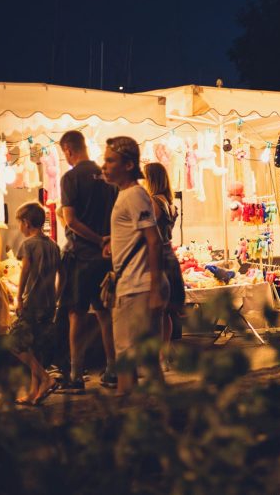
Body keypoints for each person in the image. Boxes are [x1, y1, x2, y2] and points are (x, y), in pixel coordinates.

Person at [102, 136, 168, 396]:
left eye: (110, 161)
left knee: (128, 357)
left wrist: (153, 289)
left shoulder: (133, 195)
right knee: (148, 359)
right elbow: (142, 237)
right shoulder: (131, 195)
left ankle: (127, 411)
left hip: (136, 287)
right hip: (135, 284)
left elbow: (154, 240)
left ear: (128, 165)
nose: (104, 167)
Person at [57, 130, 118, 393]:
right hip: (106, 259)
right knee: (105, 314)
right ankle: (113, 371)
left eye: (64, 154)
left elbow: (70, 221)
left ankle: (75, 375)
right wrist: (108, 241)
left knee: (76, 315)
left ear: (69, 150)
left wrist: (96, 240)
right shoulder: (107, 176)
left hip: (81, 256)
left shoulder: (71, 178)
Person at [11, 202, 61, 405]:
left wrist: (19, 296)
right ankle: (34, 390)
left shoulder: (29, 245)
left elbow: (24, 272)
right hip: (49, 302)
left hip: (32, 301)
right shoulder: (53, 245)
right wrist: (56, 297)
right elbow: (62, 275)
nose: (19, 228)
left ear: (26, 223)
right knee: (36, 346)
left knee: (15, 342)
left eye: (19, 224)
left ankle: (46, 378)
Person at [143, 162, 186, 370]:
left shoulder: (153, 202)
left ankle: (157, 358)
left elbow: (147, 232)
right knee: (167, 311)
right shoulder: (170, 202)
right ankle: (164, 353)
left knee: (156, 311)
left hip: (158, 256)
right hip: (170, 254)